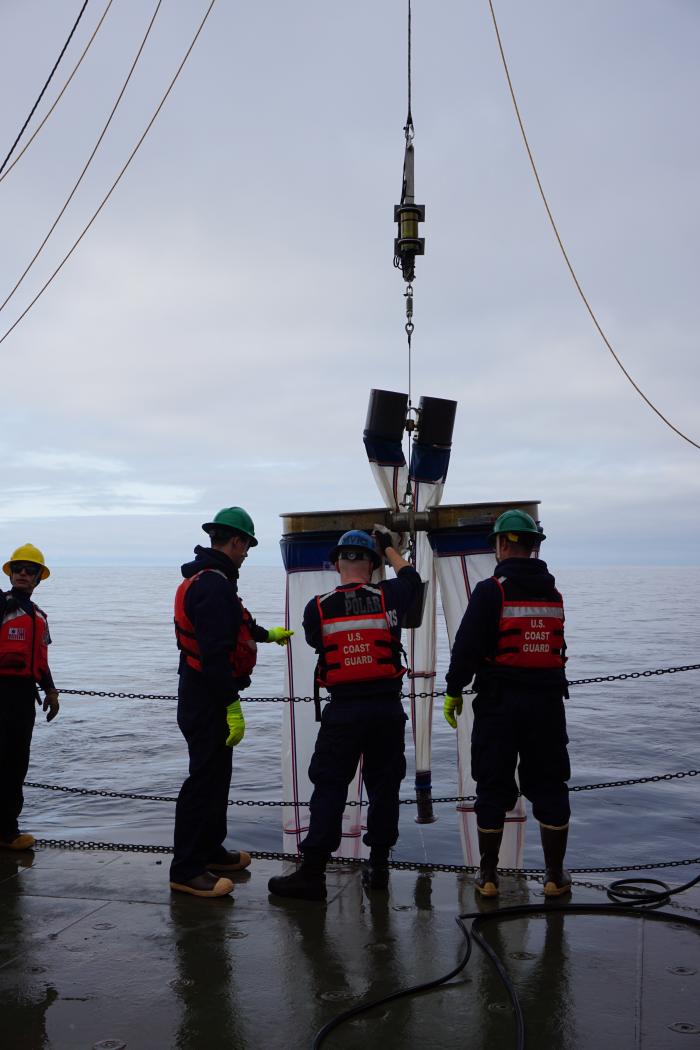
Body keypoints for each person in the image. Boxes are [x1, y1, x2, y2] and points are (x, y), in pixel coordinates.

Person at [268, 526, 422, 901]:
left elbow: (316, 641)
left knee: (330, 786)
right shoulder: (389, 596)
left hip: (343, 712)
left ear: (337, 563)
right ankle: (380, 866)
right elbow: (413, 581)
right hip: (386, 710)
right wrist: (390, 549)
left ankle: (313, 873)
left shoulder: (317, 608)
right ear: (371, 564)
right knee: (384, 789)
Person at [442, 509, 571, 898]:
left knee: (493, 786)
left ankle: (488, 877)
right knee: (550, 785)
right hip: (547, 704)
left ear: (501, 545)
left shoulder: (490, 590)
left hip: (499, 705)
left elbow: (466, 647)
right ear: (533, 546)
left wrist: (453, 689)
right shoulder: (553, 593)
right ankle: (553, 876)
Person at [170, 507, 293, 898]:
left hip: (206, 691)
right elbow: (214, 654)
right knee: (203, 780)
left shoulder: (213, 580)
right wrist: (230, 705)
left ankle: (210, 850)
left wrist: (266, 634)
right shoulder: (214, 585)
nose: (246, 554)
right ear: (236, 541)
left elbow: (234, 625)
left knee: (217, 776)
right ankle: (186, 868)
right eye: (247, 546)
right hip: (205, 695)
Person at [0, 544, 60, 851]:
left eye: (30, 570)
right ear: (10, 573)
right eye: (18, 569)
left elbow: (41, 659)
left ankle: (8, 830)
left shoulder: (39, 615)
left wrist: (50, 690)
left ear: (39, 578)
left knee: (16, 763)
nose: (23, 574)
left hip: (24, 698)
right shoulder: (2, 604)